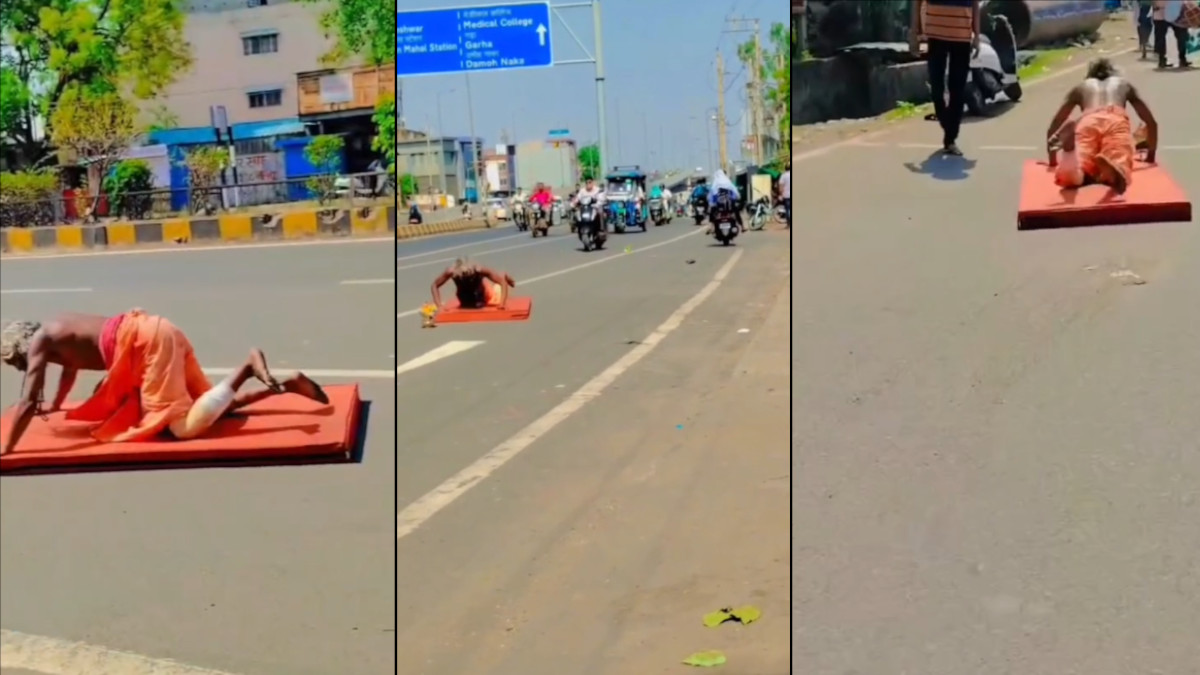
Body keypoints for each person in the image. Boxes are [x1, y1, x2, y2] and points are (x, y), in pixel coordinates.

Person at [0, 313, 328, 455]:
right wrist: (58, 404)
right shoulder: (57, 328)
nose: (26, 367)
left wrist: (8, 449)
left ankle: (245, 368)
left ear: (23, 348)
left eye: (21, 362)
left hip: (147, 347)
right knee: (207, 404)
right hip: (158, 329)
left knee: (180, 427)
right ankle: (286, 384)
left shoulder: (41, 343)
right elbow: (69, 369)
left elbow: (28, 399)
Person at [1045, 57, 1158, 195]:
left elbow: (1057, 121)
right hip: (1115, 118)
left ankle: (1071, 157)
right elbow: (1150, 122)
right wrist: (1150, 157)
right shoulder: (1123, 84)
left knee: (1080, 163)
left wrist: (1052, 160)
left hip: (1088, 119)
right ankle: (1113, 169)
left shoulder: (1081, 86)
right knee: (1119, 154)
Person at [909, 0, 982, 156]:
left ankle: (950, 139)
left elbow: (975, 4)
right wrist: (914, 33)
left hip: (962, 38)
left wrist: (977, 36)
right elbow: (917, 3)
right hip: (936, 38)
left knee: (957, 89)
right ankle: (946, 123)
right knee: (937, 88)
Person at [430, 258, 515, 311]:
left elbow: (502, 283)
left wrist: (502, 304)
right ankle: (501, 275)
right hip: (464, 297)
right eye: (463, 276)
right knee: (467, 303)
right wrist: (439, 305)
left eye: (468, 275)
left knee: (495, 290)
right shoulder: (451, 271)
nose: (466, 277)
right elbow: (434, 285)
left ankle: (503, 274)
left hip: (481, 294)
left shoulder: (479, 269)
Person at [1153, 0, 1192, 68]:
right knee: (1160, 38)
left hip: (1178, 13)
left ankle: (1182, 58)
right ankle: (1162, 59)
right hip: (1160, 13)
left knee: (1182, 36)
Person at [778, 163, 791, 228]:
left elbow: (781, 186)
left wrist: (781, 194)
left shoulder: (783, 176)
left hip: (786, 195)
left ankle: (789, 224)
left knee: (788, 210)